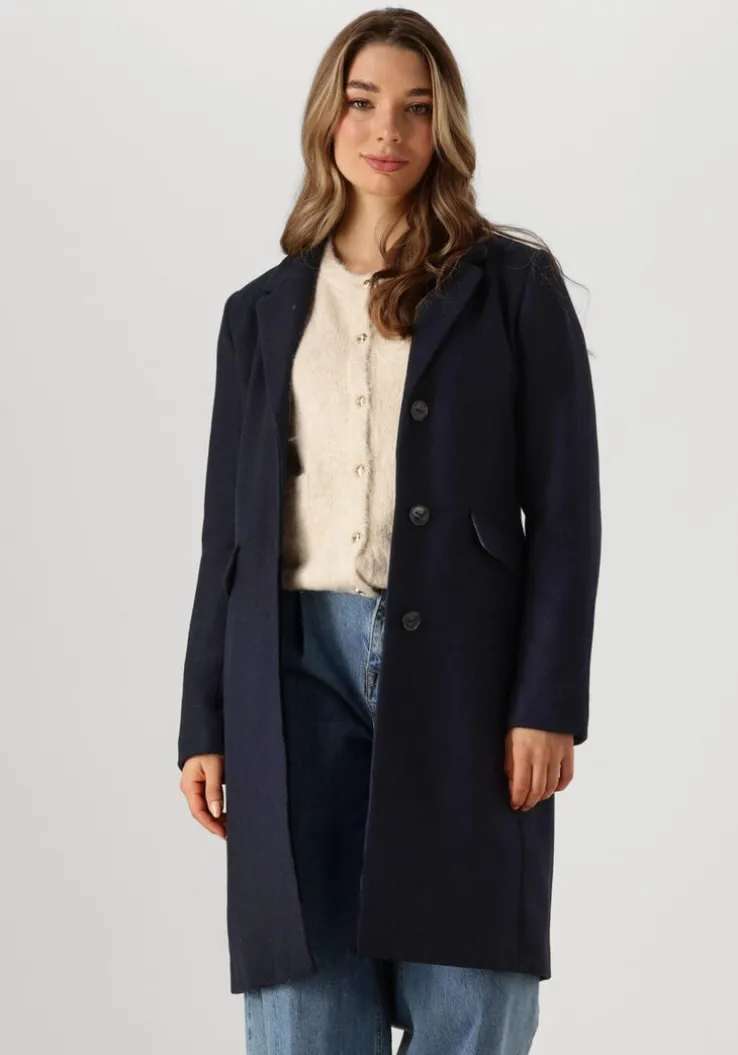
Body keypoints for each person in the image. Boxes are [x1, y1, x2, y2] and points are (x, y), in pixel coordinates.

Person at [177, 8, 602, 1054]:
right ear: (329, 115)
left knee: (472, 997)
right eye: (365, 103)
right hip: (292, 673)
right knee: (304, 1000)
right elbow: (227, 536)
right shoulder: (259, 313)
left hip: (465, 669)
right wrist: (204, 718)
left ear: (444, 127)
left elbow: (566, 508)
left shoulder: (514, 288)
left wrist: (547, 700)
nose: (388, 132)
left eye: (417, 109)